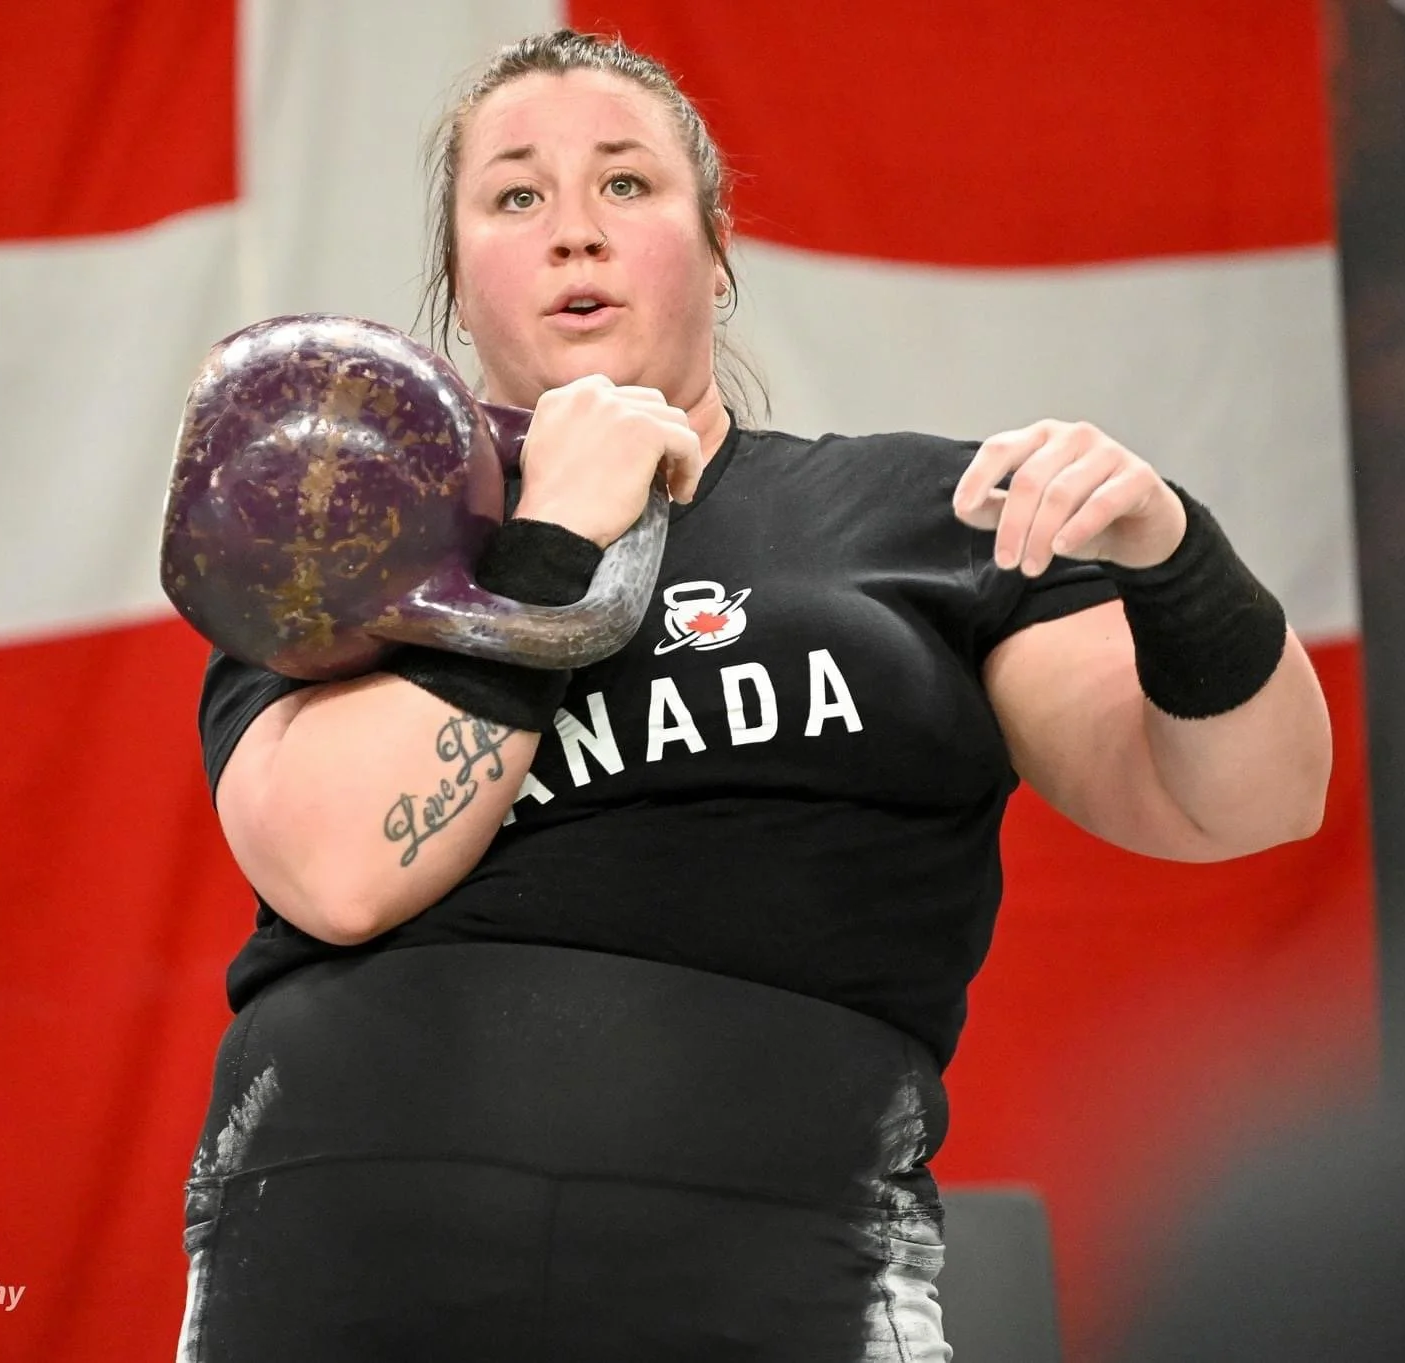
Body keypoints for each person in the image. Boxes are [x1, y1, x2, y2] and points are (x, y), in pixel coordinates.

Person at [179, 29, 1332, 1363]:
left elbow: (1251, 798)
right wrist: (552, 535)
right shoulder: (346, 535)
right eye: (514, 196)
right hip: (339, 1272)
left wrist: (1178, 556)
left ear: (718, 256)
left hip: (792, 1276)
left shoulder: (925, 515)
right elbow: (338, 870)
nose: (574, 234)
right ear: (459, 289)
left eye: (626, 184)